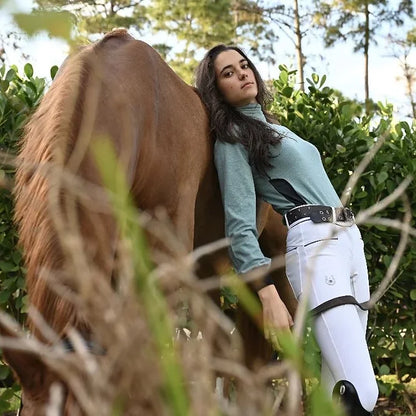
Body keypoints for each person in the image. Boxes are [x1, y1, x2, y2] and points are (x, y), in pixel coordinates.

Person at [194, 44, 378, 415]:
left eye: (244, 65)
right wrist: (266, 293)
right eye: (228, 72)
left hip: (349, 241)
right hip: (315, 246)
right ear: (217, 90)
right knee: (362, 392)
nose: (243, 73)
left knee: (335, 390)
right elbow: (241, 226)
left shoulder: (275, 128)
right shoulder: (233, 139)